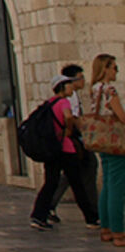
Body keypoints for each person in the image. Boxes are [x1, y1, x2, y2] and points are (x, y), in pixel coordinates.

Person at [30, 74, 99, 231]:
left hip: (52, 149)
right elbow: (68, 117)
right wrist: (68, 129)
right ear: (62, 87)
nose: (71, 87)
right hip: (66, 149)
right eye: (68, 85)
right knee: (77, 183)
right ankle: (91, 218)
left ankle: (38, 215)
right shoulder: (63, 102)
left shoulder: (49, 102)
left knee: (51, 183)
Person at [49, 64, 97, 225]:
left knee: (71, 175)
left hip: (72, 142)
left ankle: (50, 205)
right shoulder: (69, 98)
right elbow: (71, 118)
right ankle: (92, 211)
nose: (83, 81)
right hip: (75, 141)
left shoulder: (71, 95)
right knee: (86, 170)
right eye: (81, 77)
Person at [88, 54, 125, 247]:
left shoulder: (95, 89)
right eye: (114, 68)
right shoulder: (109, 90)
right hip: (116, 142)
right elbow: (121, 116)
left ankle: (106, 229)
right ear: (105, 69)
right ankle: (119, 232)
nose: (116, 71)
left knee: (109, 185)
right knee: (118, 187)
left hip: (103, 142)